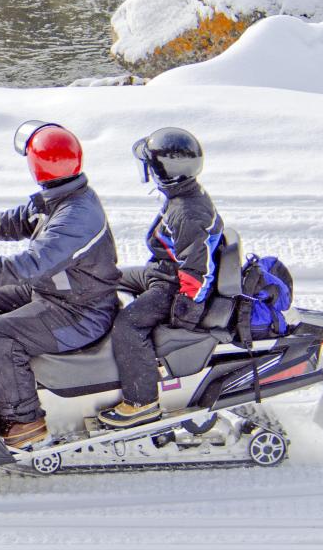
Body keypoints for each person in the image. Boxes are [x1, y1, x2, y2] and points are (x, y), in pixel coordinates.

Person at [0, 120, 121, 449]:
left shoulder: (75, 216)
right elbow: (12, 221)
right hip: (59, 291)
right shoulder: (60, 197)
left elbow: (32, 264)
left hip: (81, 311)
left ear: (38, 166)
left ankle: (25, 421)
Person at [97, 127, 224, 429]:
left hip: (173, 284)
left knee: (127, 325)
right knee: (104, 279)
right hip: (161, 271)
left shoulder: (188, 213)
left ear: (165, 173)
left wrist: (183, 316)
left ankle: (142, 401)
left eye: (152, 167)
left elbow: (197, 271)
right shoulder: (183, 194)